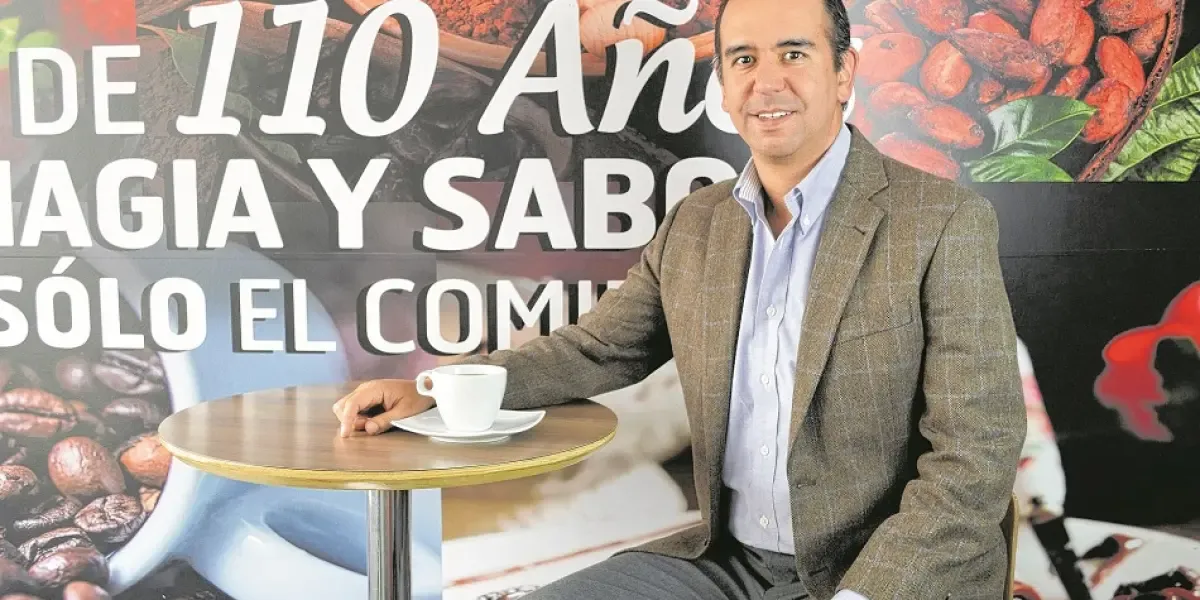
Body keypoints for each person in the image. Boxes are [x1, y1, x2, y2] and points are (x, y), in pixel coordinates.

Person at [332, 0, 1027, 596]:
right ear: (722, 83)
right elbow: (598, 349)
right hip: (727, 564)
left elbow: (976, 460)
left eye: (794, 53)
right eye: (744, 59)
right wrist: (434, 389)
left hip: (881, 571)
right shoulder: (698, 222)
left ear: (844, 72)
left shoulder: (942, 221)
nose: (767, 81)